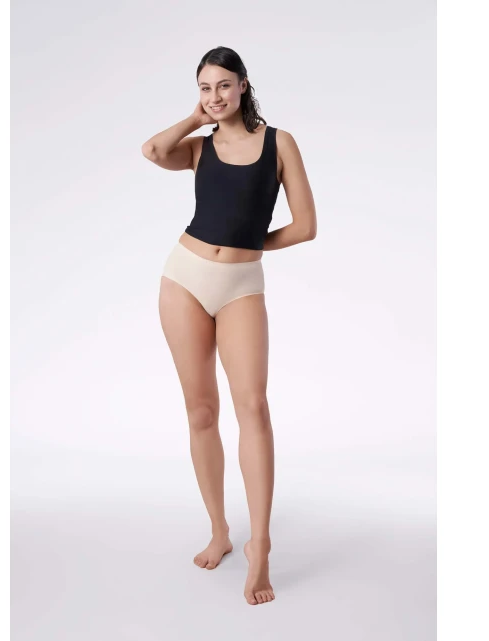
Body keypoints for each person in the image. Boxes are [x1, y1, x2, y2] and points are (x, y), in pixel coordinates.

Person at [141, 46, 317, 606]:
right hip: (184, 279)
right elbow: (152, 151)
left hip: (241, 285)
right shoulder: (200, 147)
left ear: (243, 85)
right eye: (204, 88)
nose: (214, 96)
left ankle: (259, 545)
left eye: (223, 85)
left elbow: (306, 226)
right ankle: (219, 530)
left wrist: (246, 243)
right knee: (200, 411)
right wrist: (195, 118)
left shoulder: (279, 143)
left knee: (253, 407)